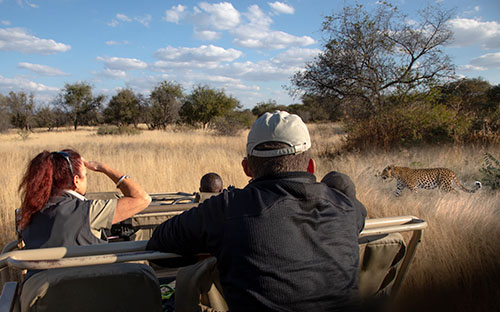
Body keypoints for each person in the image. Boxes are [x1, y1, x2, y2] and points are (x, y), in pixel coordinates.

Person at [147, 111, 367, 311]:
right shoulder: (345, 208)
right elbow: (355, 207)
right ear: (311, 167)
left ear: (247, 168)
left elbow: (161, 240)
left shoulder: (227, 208)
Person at [18, 149, 151, 252]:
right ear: (76, 181)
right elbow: (142, 199)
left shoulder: (30, 211)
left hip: (38, 286)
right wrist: (104, 168)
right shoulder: (86, 211)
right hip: (84, 284)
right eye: (85, 176)